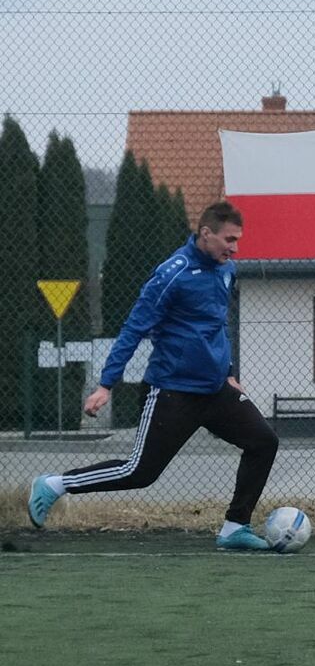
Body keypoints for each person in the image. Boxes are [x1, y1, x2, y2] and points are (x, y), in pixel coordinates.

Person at [27, 201, 280, 551]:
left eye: (237, 240)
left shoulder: (226, 271)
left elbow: (218, 324)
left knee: (264, 441)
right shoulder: (171, 274)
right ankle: (54, 484)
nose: (235, 248)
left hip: (216, 390)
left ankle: (234, 527)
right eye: (229, 239)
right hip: (172, 391)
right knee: (139, 473)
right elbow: (134, 328)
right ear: (206, 233)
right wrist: (106, 384)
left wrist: (229, 373)